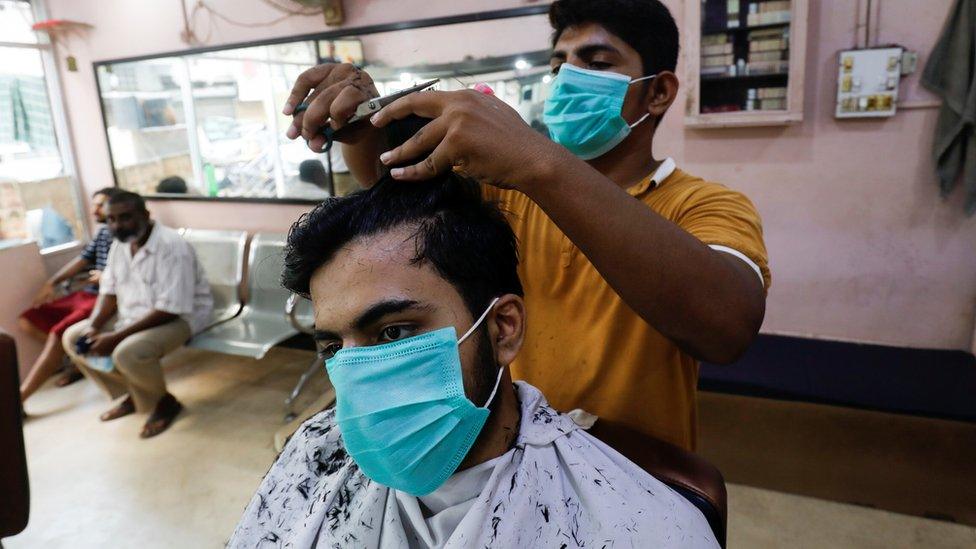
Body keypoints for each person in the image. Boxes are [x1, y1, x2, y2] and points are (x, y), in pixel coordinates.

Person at [282, 0, 770, 450]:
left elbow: (726, 329)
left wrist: (540, 159)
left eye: (597, 64)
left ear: (659, 92)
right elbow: (393, 183)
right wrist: (364, 123)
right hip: (516, 459)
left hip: (639, 476)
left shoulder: (704, 205)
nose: (568, 79)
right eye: (559, 65)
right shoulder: (505, 190)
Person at [229, 168, 718, 548]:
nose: (358, 379)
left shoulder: (640, 525)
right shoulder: (314, 454)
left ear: (503, 329)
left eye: (394, 331)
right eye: (334, 346)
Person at [61, 191, 213, 438]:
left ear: (145, 215)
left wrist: (116, 337)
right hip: (134, 314)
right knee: (73, 337)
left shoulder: (172, 246)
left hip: (181, 317)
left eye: (125, 218)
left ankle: (164, 403)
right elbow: (108, 291)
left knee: (128, 351)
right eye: (111, 219)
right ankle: (134, 393)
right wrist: (94, 326)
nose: (117, 225)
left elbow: (170, 308)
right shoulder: (119, 246)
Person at [18, 187, 120, 402]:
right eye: (94, 204)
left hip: (106, 297)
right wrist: (52, 282)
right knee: (28, 319)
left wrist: (107, 276)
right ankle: (76, 361)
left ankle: (21, 397)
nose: (94, 210)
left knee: (59, 333)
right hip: (87, 292)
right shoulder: (103, 232)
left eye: (100, 205)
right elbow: (83, 259)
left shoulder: (125, 234)